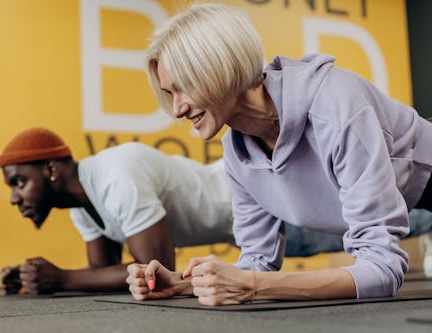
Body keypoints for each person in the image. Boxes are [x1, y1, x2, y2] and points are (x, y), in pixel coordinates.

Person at [125, 2, 432, 305]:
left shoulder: (335, 105)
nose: (177, 109)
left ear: (219, 66)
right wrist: (184, 284)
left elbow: (383, 270)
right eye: (170, 93)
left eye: (184, 88)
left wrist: (252, 286)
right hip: (408, 194)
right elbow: (257, 263)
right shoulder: (237, 154)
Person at [0, 128, 431, 295]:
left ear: (52, 169)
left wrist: (62, 278)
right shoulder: (80, 203)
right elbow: (110, 276)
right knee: (394, 217)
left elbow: (153, 269)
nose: (16, 198)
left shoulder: (116, 173)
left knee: (403, 216)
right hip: (242, 229)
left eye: (19, 183)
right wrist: (39, 278)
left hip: (268, 211)